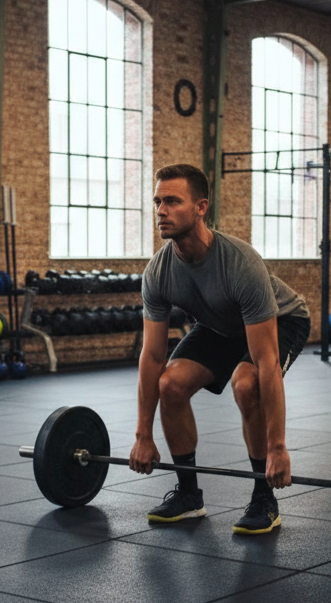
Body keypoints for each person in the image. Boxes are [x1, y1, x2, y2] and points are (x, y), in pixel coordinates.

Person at [128, 163, 311, 534]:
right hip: (219, 325)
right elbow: (152, 356)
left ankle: (265, 496)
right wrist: (142, 436)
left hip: (282, 320)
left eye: (173, 201)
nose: (161, 210)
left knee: (247, 384)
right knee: (170, 385)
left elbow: (267, 362)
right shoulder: (158, 272)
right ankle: (189, 495)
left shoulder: (240, 263)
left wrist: (278, 447)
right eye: (157, 201)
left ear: (201, 207)